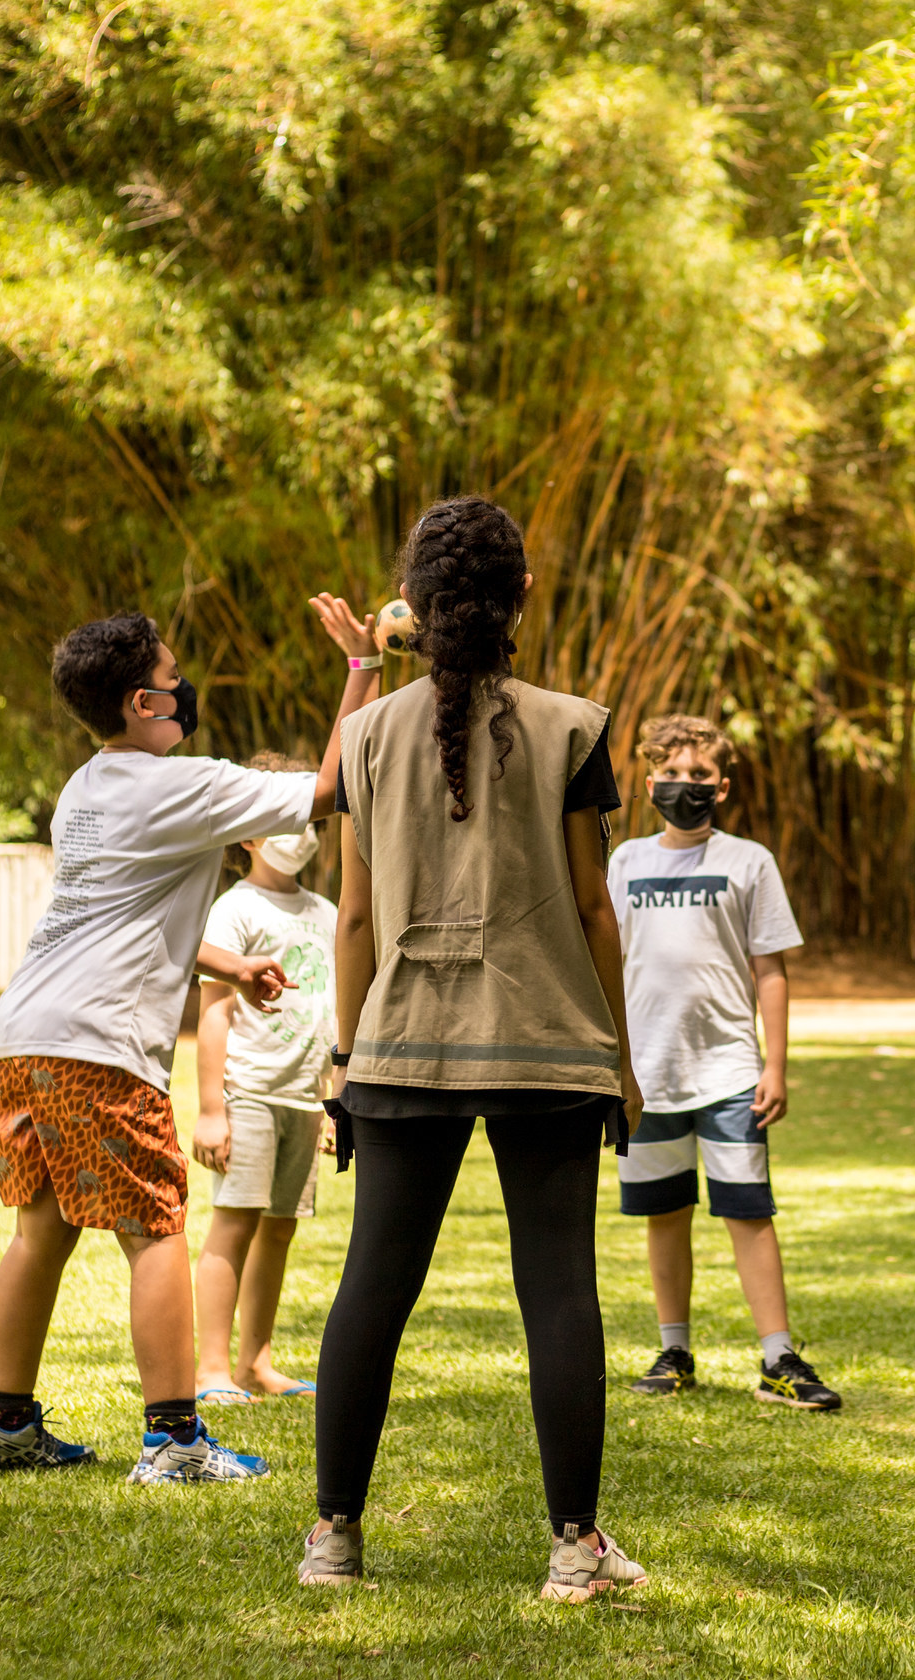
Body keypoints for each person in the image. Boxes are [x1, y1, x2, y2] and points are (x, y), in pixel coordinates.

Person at [0, 596, 378, 1485]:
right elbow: (328, 791)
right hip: (98, 1046)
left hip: (26, 1038)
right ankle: (175, 1441)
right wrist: (363, 669)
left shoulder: (84, 788)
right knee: (156, 1229)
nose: (186, 689)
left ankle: (2, 1424)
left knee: (42, 1230)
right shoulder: (183, 785)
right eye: (175, 677)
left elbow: (116, 917)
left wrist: (229, 965)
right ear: (143, 702)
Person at [302, 496, 651, 1604]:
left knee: (372, 1286)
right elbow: (593, 909)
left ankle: (334, 1539)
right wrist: (621, 1062)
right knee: (559, 1291)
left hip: (398, 1044)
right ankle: (574, 1549)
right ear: (523, 597)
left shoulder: (365, 735)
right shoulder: (573, 726)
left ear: (414, 600)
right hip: (550, 1046)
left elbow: (355, 919)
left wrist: (344, 1061)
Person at [609, 714, 839, 1411]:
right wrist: (614, 1066)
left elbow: (770, 969)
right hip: (647, 1076)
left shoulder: (749, 862)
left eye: (700, 775)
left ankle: (778, 1357)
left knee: (748, 1212)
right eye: (671, 774)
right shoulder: (626, 863)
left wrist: (776, 1066)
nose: (685, 785)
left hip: (731, 1072)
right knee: (665, 1213)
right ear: (649, 782)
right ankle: (674, 1351)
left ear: (723, 786)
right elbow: (605, 966)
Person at [192, 752, 349, 1405]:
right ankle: (211, 1370)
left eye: (306, 818)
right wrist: (212, 1110)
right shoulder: (233, 910)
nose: (300, 832)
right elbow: (214, 1013)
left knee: (279, 1228)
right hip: (249, 1093)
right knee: (235, 1224)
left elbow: (339, 1013)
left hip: (304, 1099)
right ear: (247, 834)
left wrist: (336, 1102)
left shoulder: (328, 913)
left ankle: (256, 1363)